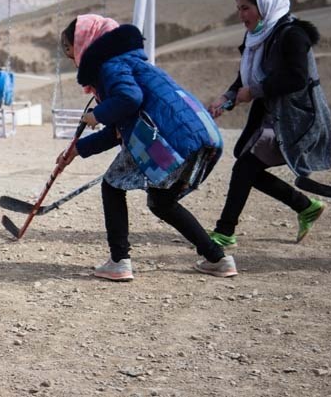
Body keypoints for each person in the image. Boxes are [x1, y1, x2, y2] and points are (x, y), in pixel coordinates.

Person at [57, 14, 236, 281]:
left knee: (113, 185)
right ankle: (218, 258)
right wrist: (78, 149)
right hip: (198, 132)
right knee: (162, 202)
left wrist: (98, 114)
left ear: (85, 43)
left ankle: (119, 261)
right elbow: (119, 130)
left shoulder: (111, 65)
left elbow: (129, 99)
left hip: (168, 136)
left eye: (71, 51)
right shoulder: (130, 63)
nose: (72, 60)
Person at [207, 0, 331, 247]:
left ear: (264, 6)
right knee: (246, 167)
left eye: (246, 8)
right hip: (271, 115)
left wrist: (254, 91)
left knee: (245, 167)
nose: (241, 15)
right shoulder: (257, 36)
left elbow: (296, 79)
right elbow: (247, 75)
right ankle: (305, 206)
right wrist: (227, 97)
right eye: (239, 9)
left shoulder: (292, 34)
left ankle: (225, 232)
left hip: (296, 118)